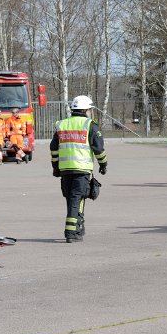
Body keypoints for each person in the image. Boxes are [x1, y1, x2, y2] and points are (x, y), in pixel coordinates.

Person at [50, 95, 107, 243]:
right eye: (89, 109)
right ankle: (71, 232)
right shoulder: (89, 125)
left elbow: (54, 148)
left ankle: (77, 228)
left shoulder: (61, 124)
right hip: (82, 169)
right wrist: (103, 164)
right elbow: (99, 149)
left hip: (65, 169)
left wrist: (55, 167)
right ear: (86, 110)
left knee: (72, 199)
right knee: (78, 199)